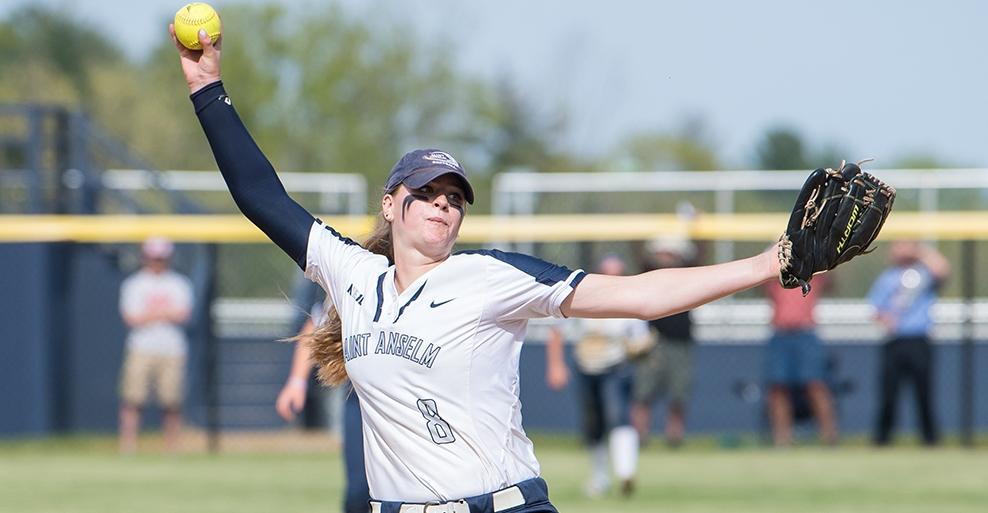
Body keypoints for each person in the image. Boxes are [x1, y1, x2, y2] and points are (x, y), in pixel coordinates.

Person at [173, 27, 808, 512]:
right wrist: (207, 89)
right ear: (391, 204)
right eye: (428, 193)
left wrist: (766, 263)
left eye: (455, 199)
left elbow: (640, 297)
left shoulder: (490, 277)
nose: (443, 206)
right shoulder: (351, 273)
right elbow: (260, 196)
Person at [545, 255, 647, 498]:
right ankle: (600, 477)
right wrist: (556, 365)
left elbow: (641, 340)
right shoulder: (582, 299)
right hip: (586, 366)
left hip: (616, 367)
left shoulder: (630, 304)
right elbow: (557, 331)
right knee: (593, 425)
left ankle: (625, 472)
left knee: (619, 415)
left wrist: (640, 347)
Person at [277, 298, 371, 513]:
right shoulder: (364, 273)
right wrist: (296, 382)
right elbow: (317, 324)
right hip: (359, 398)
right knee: (358, 492)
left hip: (415, 399)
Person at [869, 240, 949, 446]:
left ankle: (930, 440)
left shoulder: (923, 273)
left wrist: (918, 251)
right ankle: (882, 440)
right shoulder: (887, 278)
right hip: (895, 341)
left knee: (924, 394)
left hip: (919, 340)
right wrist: (886, 319)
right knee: (889, 395)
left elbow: (942, 270)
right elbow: (875, 309)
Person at [118, 236, 193, 454]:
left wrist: (151, 314)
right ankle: (128, 446)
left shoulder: (178, 283)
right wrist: (163, 313)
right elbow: (132, 318)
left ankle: (172, 448)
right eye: (154, 257)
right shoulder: (135, 284)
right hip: (141, 347)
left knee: (171, 401)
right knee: (133, 398)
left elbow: (183, 314)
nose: (157, 261)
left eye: (161, 257)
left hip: (172, 349)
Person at [631, 236, 698, 448]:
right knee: (643, 394)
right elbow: (638, 252)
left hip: (680, 343)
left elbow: (700, 256)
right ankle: (639, 437)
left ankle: (674, 438)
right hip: (653, 344)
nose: (666, 257)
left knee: (679, 395)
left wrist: (694, 231)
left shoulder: (686, 275)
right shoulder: (650, 275)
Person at [763, 273, 838, 446]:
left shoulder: (812, 266)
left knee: (815, 384)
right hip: (781, 331)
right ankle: (782, 440)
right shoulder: (776, 261)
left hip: (805, 331)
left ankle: (830, 438)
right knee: (778, 387)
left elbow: (831, 281)